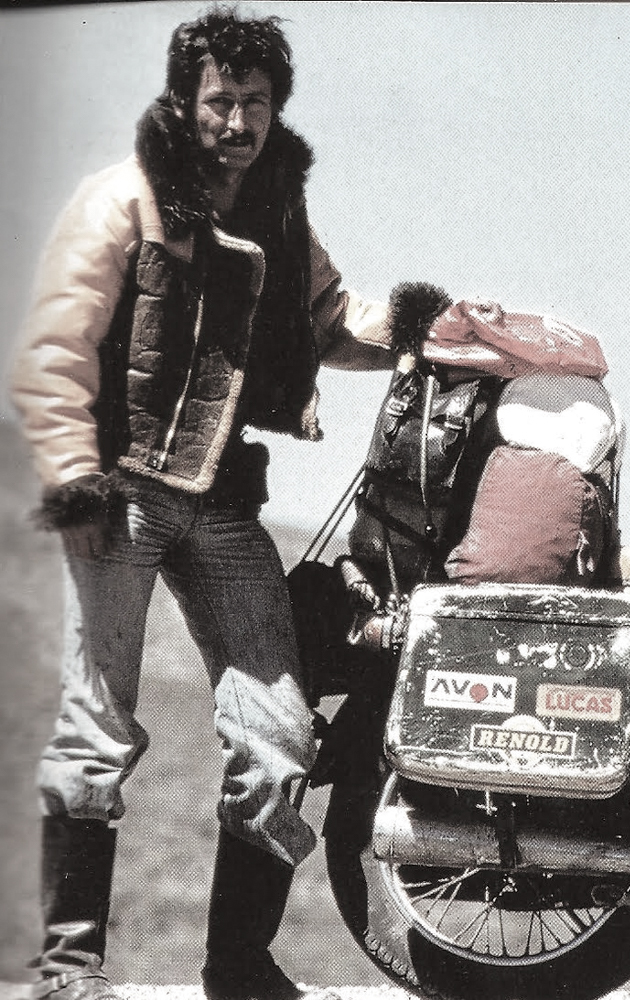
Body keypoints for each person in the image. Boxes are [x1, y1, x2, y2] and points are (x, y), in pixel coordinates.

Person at [9, 8, 398, 1000]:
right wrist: (73, 478)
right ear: (186, 102)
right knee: (96, 726)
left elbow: (334, 321)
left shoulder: (280, 214)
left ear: (275, 108)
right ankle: (66, 971)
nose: (238, 122)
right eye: (220, 100)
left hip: (223, 504)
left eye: (255, 102)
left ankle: (239, 967)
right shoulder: (122, 199)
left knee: (282, 734)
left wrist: (432, 327)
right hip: (121, 492)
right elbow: (54, 349)